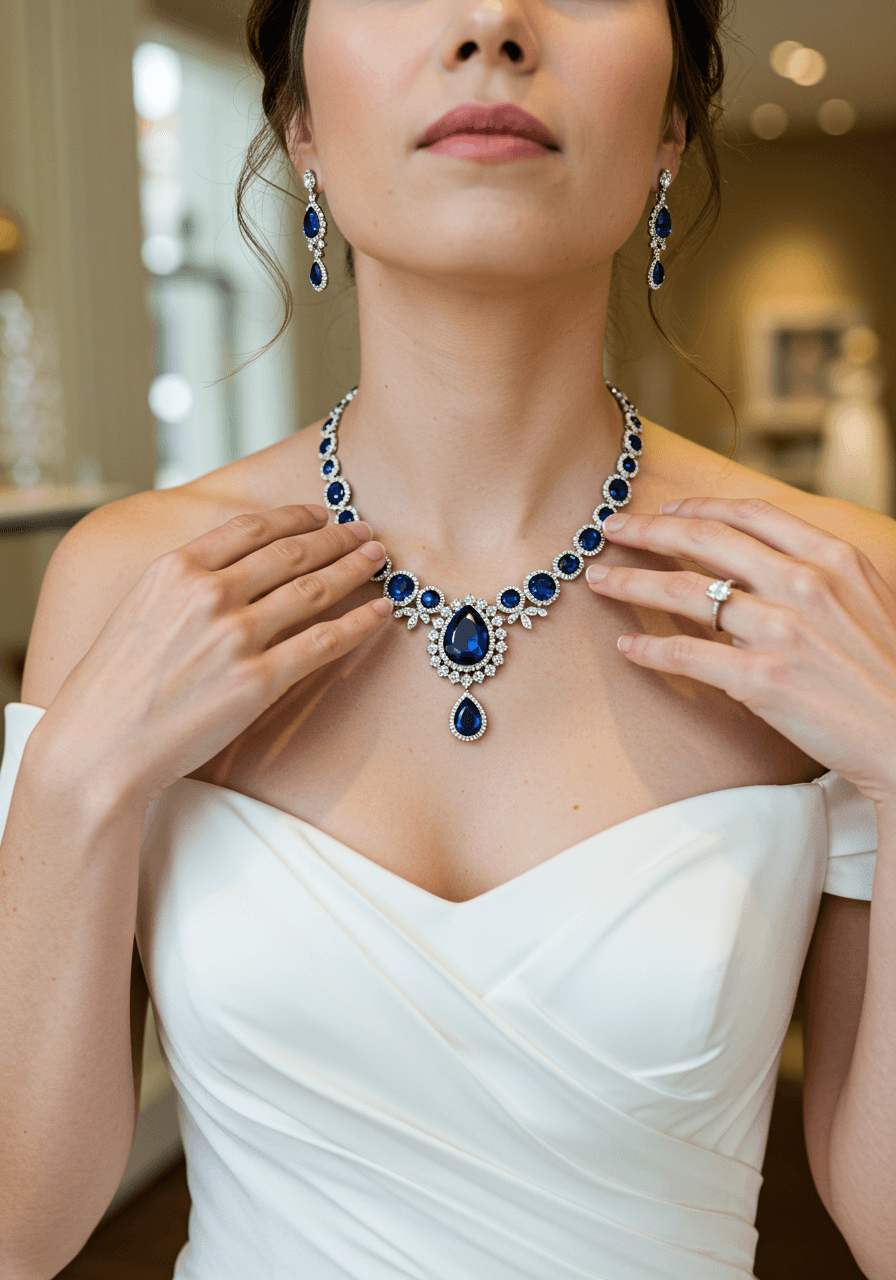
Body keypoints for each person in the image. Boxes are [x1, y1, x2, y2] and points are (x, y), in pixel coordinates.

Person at [1, 0, 894, 1276]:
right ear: (299, 120)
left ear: (670, 128)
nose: (490, 22)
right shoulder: (131, 583)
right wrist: (76, 786)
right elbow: (15, 1231)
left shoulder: (838, 587)